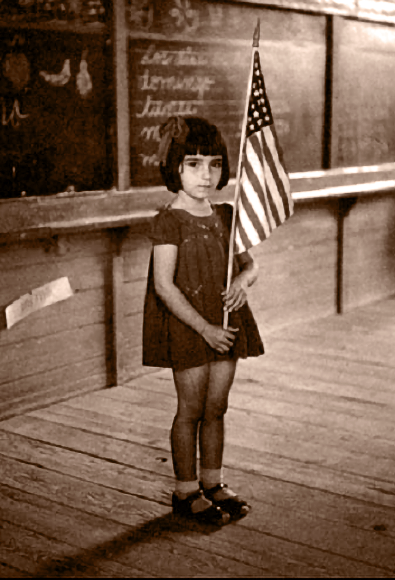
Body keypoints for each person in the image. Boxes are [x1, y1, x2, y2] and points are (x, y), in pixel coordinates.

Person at [143, 116, 264, 526]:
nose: (206, 174)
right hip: (191, 326)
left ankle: (213, 482)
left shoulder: (228, 215)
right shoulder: (169, 220)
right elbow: (164, 286)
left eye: (214, 164)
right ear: (173, 166)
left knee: (217, 407)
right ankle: (185, 491)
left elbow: (251, 265)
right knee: (191, 409)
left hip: (226, 322)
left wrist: (244, 283)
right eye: (193, 164)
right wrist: (204, 329)